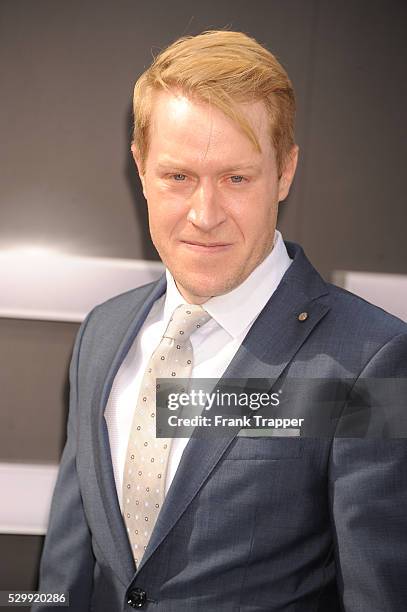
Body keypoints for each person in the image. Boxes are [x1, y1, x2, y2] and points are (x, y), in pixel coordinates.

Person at [33, 30, 407, 611]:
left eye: (236, 178)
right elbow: (66, 570)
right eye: (178, 177)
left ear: (284, 173)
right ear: (140, 168)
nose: (204, 215)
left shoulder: (368, 359)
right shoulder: (103, 334)